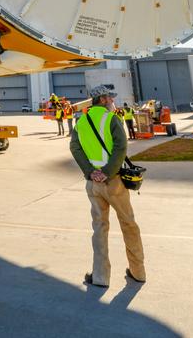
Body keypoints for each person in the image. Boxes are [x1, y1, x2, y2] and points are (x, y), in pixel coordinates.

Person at [70, 84, 145, 288]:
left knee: (99, 229)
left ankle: (100, 277)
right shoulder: (111, 119)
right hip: (113, 182)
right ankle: (138, 272)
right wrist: (106, 172)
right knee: (128, 224)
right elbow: (121, 147)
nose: (113, 102)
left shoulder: (81, 121)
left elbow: (75, 148)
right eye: (110, 99)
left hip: (93, 184)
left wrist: (90, 171)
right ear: (103, 100)